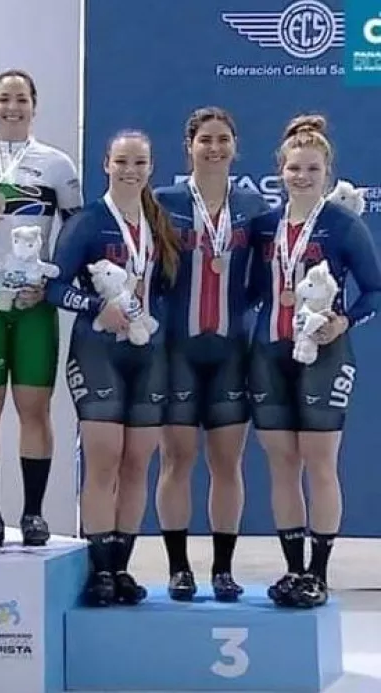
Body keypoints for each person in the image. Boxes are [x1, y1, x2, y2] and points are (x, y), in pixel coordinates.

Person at [248, 115, 381, 608]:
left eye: (312, 168)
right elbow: (247, 291)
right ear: (279, 172)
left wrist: (343, 323)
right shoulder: (264, 226)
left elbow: (374, 290)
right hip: (269, 352)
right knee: (282, 465)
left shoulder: (344, 226)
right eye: (293, 168)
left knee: (320, 464)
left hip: (325, 352)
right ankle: (292, 570)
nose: (302, 176)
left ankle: (319, 574)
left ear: (328, 172)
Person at [45, 129, 180, 605]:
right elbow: (54, 287)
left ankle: (122, 568)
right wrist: (95, 309)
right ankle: (99, 570)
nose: (130, 170)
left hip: (148, 354)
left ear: (150, 168)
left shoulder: (160, 220)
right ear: (105, 164)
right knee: (104, 460)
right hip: (98, 350)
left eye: (139, 163)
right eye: (121, 161)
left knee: (138, 462)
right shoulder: (86, 221)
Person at [0, 69, 83, 547]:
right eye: (4, 99)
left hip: (34, 298)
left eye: (21, 99)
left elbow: (73, 238)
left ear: (34, 105)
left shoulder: (57, 165)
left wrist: (52, 284)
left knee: (34, 408)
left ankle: (33, 514)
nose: (13, 107)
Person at [152, 107, 270, 602]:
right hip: (177, 350)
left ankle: (222, 569)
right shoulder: (163, 201)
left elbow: (267, 277)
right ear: (189, 146)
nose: (215, 148)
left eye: (223, 139)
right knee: (177, 460)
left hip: (229, 353)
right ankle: (179, 568)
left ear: (235, 146)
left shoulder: (253, 205)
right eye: (206, 140)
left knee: (228, 464)